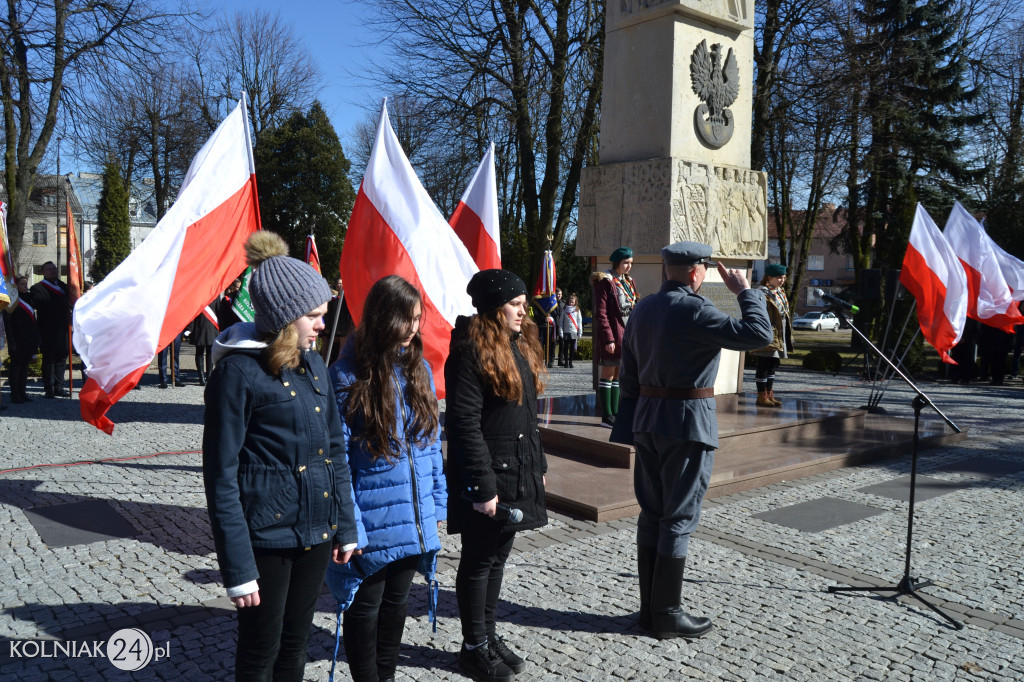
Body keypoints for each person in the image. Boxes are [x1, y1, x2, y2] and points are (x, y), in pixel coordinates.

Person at [203, 231, 360, 681]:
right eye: (313, 315)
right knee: (260, 650)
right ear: (283, 317)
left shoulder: (313, 365)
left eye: (324, 314)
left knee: (296, 644)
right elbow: (221, 475)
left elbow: (334, 451)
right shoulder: (236, 372)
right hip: (266, 540)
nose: (322, 325)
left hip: (315, 533)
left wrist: (344, 525)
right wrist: (237, 568)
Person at [611, 241, 771, 640]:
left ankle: (649, 610)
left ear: (668, 269)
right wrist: (745, 293)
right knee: (678, 518)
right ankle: (667, 614)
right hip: (686, 425)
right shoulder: (696, 309)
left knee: (652, 513)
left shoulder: (643, 307)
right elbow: (759, 333)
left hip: (646, 421)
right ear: (697, 272)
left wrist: (628, 425)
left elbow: (628, 372)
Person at [327, 275, 447, 682]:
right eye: (406, 319)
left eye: (418, 318)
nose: (414, 328)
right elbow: (337, 460)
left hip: (412, 518)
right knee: (366, 607)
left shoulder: (419, 369)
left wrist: (436, 504)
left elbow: (430, 445)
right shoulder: (346, 375)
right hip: (371, 521)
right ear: (381, 318)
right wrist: (350, 525)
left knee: (397, 605)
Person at [445, 269, 548, 682]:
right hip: (488, 477)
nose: (524, 311)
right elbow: (464, 424)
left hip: (517, 470)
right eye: (515, 305)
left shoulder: (515, 344)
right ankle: (473, 647)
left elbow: (525, 418)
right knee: (478, 560)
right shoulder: (469, 352)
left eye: (523, 304)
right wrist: (483, 486)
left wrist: (537, 469)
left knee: (497, 559)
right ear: (493, 308)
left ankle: (486, 636)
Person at [590, 247, 638, 427]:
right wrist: (609, 338)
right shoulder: (606, 282)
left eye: (631, 263)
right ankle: (607, 415)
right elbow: (601, 314)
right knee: (608, 373)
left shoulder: (629, 281)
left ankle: (616, 412)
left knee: (618, 373)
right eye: (626, 263)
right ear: (617, 262)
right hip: (614, 334)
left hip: (627, 333)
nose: (628, 267)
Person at [749, 263, 794, 407]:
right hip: (768, 332)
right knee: (764, 364)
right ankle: (761, 396)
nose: (782, 280)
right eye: (779, 277)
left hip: (780, 333)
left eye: (784, 277)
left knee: (773, 364)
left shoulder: (779, 292)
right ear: (769, 278)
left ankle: (769, 394)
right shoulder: (762, 292)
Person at [30, 261, 70, 398]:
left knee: (62, 359)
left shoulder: (64, 286)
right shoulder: (37, 288)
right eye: (49, 269)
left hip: (63, 329)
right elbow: (42, 304)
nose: (53, 271)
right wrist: (61, 304)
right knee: (49, 360)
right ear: (43, 272)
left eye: (54, 268)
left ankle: (60, 387)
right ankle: (49, 388)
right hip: (48, 330)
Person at [4, 277, 39, 404]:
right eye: (22, 284)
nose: (25, 286)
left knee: (24, 366)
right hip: (17, 338)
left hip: (29, 337)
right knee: (16, 367)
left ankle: (22, 392)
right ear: (16, 286)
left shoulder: (29, 298)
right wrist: (11, 340)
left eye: (26, 284)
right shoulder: (12, 300)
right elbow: (8, 322)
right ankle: (15, 394)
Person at [188, 304, 219, 386]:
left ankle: (206, 377)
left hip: (207, 327)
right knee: (202, 353)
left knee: (206, 353)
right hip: (203, 327)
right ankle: (204, 377)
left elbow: (218, 311)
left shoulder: (214, 295)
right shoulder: (213, 294)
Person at [557, 292, 583, 369]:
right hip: (566, 331)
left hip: (574, 331)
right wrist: (561, 331)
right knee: (565, 347)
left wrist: (580, 332)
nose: (571, 303)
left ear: (575, 302)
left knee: (572, 348)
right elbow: (561, 322)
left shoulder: (577, 310)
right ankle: (566, 362)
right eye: (570, 302)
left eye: (573, 302)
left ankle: (571, 362)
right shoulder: (564, 310)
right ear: (568, 301)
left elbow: (579, 321)